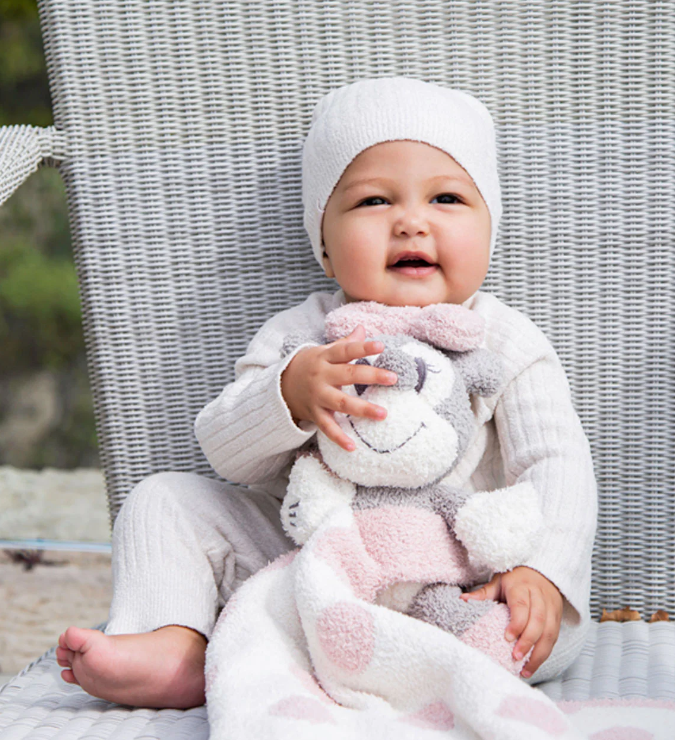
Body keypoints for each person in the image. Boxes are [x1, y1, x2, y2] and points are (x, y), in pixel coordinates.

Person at [56, 77, 597, 708]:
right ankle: (174, 642)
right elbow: (225, 452)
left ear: (489, 227)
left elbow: (558, 465)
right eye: (373, 202)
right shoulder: (302, 335)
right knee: (161, 501)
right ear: (326, 245)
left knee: (530, 632)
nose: (411, 223)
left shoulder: (505, 339)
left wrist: (542, 573)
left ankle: (424, 655)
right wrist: (285, 396)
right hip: (316, 568)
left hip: (459, 578)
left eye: (447, 197)